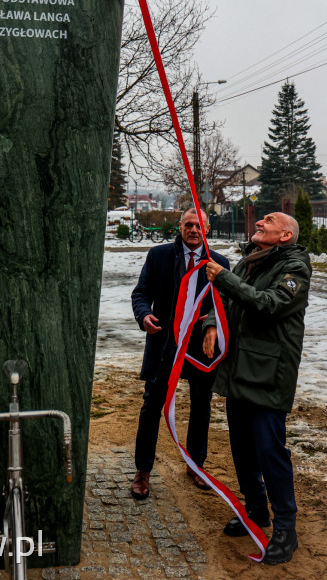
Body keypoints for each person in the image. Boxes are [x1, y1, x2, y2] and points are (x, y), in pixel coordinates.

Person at [204, 212, 310, 565]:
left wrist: (226, 281)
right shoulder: (251, 260)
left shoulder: (295, 267)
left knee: (270, 452)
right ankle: (255, 512)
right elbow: (230, 303)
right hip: (240, 369)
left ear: (285, 235)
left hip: (267, 374)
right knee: (242, 448)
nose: (261, 221)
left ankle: (285, 529)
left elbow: (269, 305)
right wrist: (210, 325)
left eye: (270, 219)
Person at [130, 208, 230, 499]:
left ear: (207, 229)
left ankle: (195, 465)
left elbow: (225, 301)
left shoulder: (218, 263)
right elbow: (140, 293)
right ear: (180, 227)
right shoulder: (159, 256)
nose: (193, 230)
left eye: (199, 226)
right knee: (152, 406)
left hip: (200, 349)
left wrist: (211, 322)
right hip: (164, 346)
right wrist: (144, 315)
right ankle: (143, 470)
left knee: (201, 404)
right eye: (188, 225)